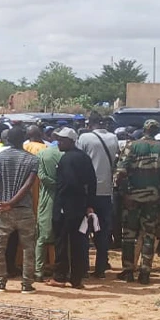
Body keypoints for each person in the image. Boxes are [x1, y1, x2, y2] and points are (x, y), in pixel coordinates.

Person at [114, 119, 160, 284]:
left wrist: (123, 194)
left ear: (144, 130)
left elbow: (121, 171)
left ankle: (128, 270)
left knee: (129, 235)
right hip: (153, 198)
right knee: (149, 235)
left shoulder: (132, 146)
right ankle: (145, 272)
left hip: (132, 197)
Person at [0, 126, 39, 293]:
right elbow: (28, 185)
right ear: (23, 140)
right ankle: (26, 284)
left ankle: (0, 281)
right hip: (24, 209)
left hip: (3, 208)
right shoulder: (32, 159)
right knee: (28, 247)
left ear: (7, 140)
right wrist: (14, 202)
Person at [50, 127, 97, 289]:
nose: (58, 143)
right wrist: (89, 204)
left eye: (62, 140)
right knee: (78, 241)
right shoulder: (84, 158)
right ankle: (77, 278)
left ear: (71, 141)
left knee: (62, 241)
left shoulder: (67, 159)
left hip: (66, 206)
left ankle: (60, 276)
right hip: (80, 206)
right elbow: (92, 182)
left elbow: (69, 184)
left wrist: (63, 203)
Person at [78, 113, 119, 278]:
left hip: (88, 191)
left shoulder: (84, 138)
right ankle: (101, 268)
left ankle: (84, 267)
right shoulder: (113, 138)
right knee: (102, 232)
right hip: (106, 191)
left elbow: (80, 161)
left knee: (84, 231)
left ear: (89, 124)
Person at [35, 134, 64, 281]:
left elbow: (41, 175)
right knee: (62, 239)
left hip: (46, 199)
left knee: (41, 239)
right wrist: (61, 185)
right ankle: (60, 271)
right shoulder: (66, 154)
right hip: (63, 199)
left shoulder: (41, 154)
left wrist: (53, 184)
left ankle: (38, 271)